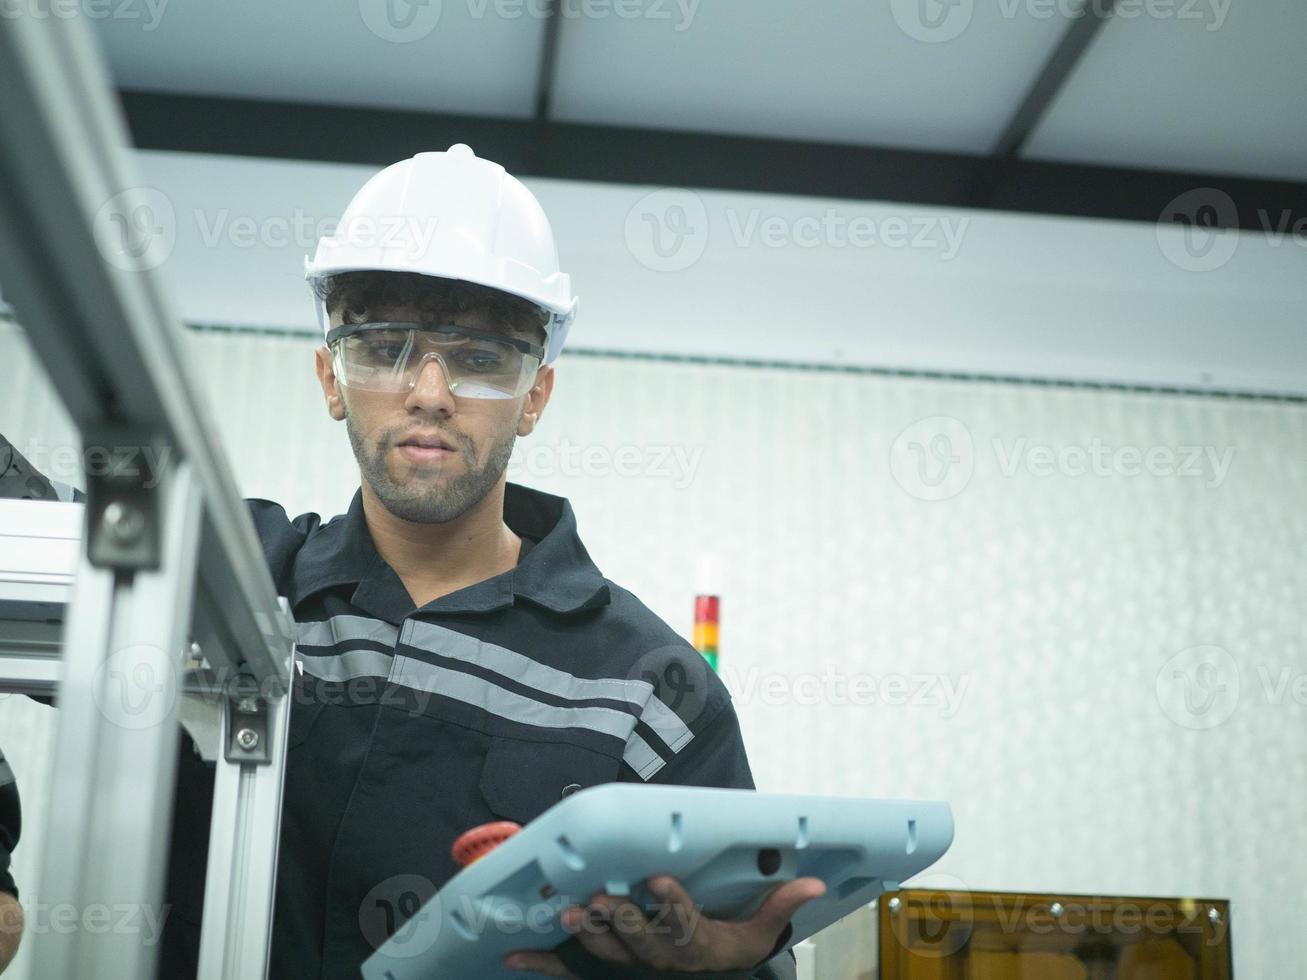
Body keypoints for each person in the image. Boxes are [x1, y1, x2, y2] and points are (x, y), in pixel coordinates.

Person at [2, 144, 823, 978]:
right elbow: (21, 531)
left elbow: (735, 943)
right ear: (330, 378)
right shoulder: (227, 581)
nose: (429, 391)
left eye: (478, 359)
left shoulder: (651, 690)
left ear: (534, 396)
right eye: (385, 346)